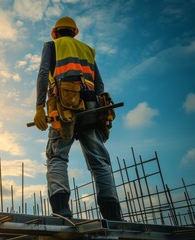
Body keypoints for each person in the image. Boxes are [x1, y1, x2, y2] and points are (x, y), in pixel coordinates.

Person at [33, 16, 122, 221]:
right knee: (99, 161)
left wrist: (39, 107)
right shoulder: (87, 50)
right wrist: (100, 110)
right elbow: (99, 83)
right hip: (91, 105)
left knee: (57, 156)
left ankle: (62, 212)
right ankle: (113, 216)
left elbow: (43, 72)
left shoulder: (52, 45)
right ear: (75, 32)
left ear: (55, 32)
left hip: (65, 106)